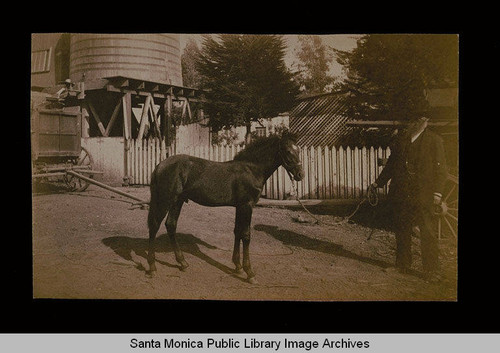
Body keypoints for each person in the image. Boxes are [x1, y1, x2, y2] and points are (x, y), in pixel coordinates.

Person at [370, 116, 448, 282]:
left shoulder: (435, 141)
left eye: (419, 119)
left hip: (423, 195)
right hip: (401, 193)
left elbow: (441, 171)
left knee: (427, 231)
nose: (413, 122)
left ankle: (431, 270)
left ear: (425, 121)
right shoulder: (401, 140)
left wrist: (438, 193)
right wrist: (377, 183)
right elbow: (391, 165)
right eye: (412, 119)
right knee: (402, 228)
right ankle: (402, 264)